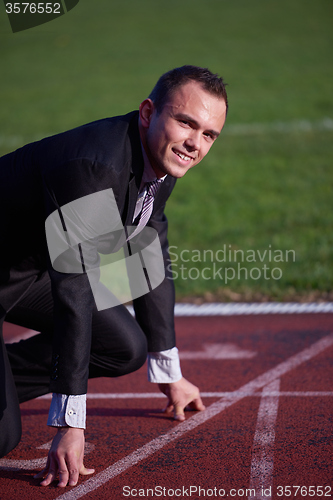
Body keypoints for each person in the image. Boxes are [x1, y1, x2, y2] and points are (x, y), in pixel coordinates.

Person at [0, 65, 228, 487]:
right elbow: (75, 290)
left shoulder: (163, 158)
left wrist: (168, 372)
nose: (195, 143)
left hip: (24, 272)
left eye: (209, 134)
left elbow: (149, 253)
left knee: (124, 347)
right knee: (3, 435)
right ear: (147, 113)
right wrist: (71, 425)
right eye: (186, 123)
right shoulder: (93, 166)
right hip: (31, 272)